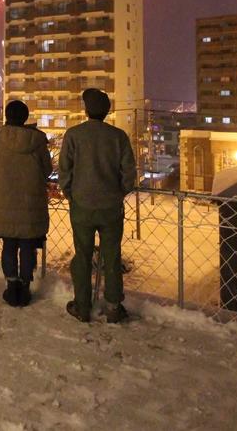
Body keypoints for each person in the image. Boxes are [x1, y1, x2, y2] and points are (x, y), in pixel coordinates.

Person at [58, 88, 136, 323]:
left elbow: (64, 170)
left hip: (81, 205)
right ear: (107, 111)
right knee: (111, 256)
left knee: (82, 255)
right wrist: (120, 192)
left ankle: (82, 306)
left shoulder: (74, 135)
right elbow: (129, 173)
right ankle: (113, 306)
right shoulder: (118, 136)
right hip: (111, 207)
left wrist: (71, 193)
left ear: (86, 110)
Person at [0, 100, 52, 307]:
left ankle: (12, 287)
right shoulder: (37, 141)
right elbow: (47, 170)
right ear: (25, 117)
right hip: (30, 204)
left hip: (4, 202)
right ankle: (25, 288)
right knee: (28, 246)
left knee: (9, 245)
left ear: (7, 116)